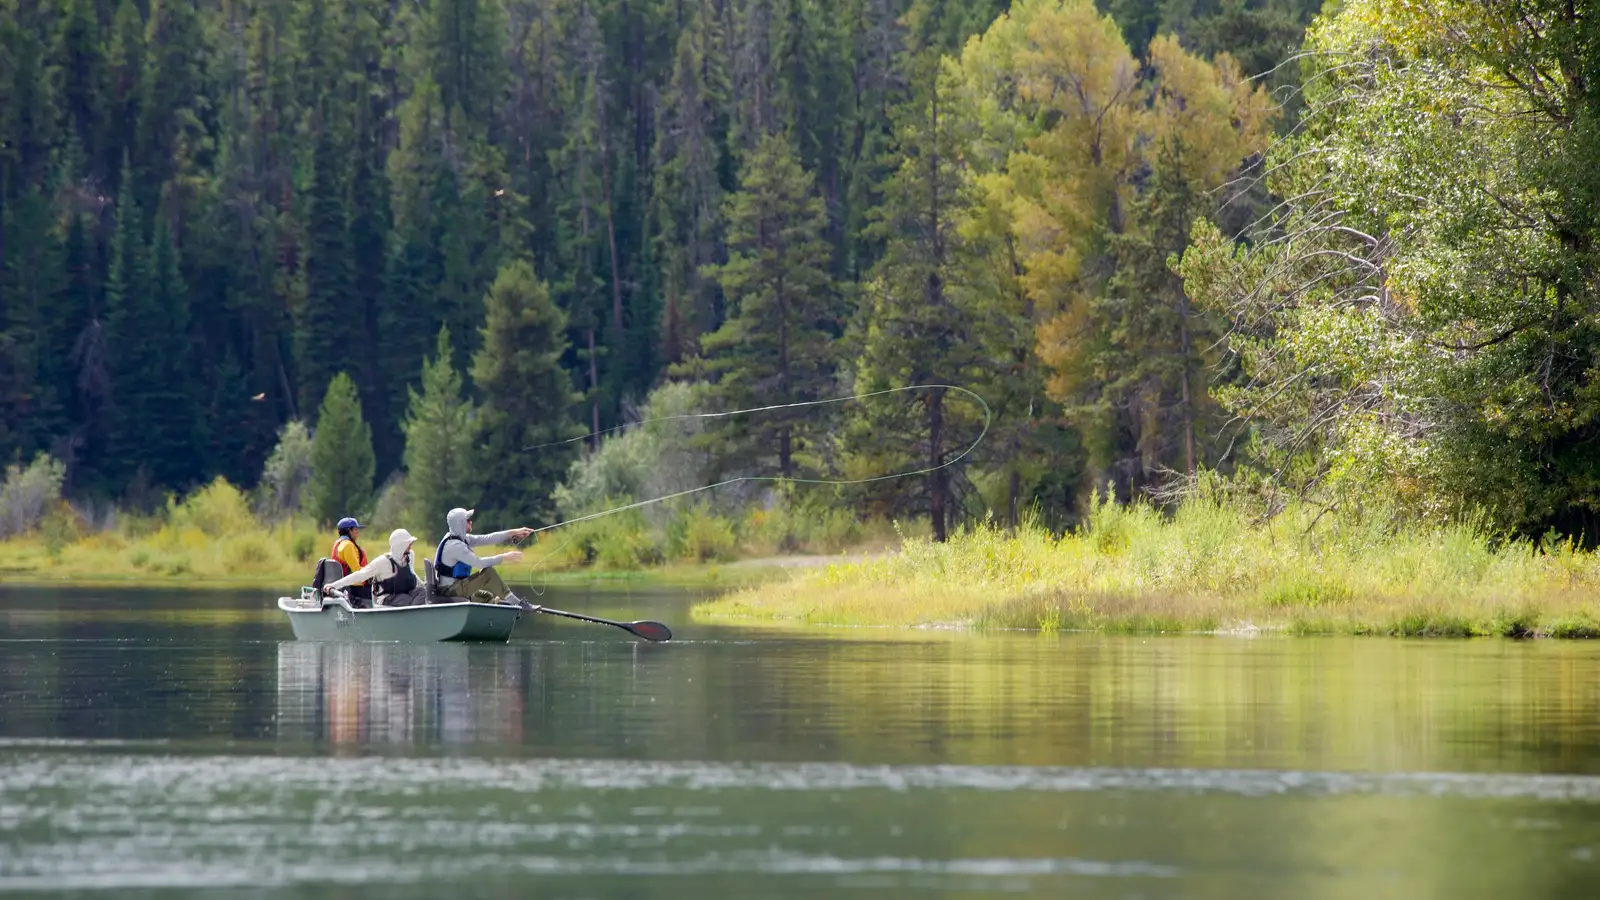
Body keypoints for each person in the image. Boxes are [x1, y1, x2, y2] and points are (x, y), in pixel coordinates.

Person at [433, 507, 538, 610]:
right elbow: (479, 563)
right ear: (460, 524)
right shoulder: (455, 546)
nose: (471, 522)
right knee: (488, 572)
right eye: (468, 520)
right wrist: (504, 557)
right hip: (449, 591)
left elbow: (488, 538)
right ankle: (516, 603)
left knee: (486, 596)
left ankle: (496, 615)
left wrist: (515, 532)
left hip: (455, 587)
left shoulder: (461, 539)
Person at [323, 529, 428, 607]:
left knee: (424, 592)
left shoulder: (410, 556)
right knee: (406, 599)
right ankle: (412, 619)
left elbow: (412, 574)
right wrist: (334, 585)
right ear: (401, 545)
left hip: (405, 595)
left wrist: (425, 585)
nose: (410, 547)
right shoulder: (382, 562)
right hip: (387, 599)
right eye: (409, 544)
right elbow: (359, 575)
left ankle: (415, 617)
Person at [330, 517, 372, 607]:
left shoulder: (339, 543)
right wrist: (372, 573)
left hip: (347, 585)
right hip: (354, 588)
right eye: (356, 529)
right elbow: (356, 570)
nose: (358, 532)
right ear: (349, 530)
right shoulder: (348, 545)